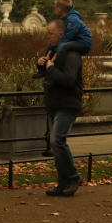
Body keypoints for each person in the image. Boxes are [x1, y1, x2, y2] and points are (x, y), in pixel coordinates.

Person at [36, 17, 83, 197]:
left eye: (50, 33)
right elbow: (50, 75)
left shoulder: (71, 54)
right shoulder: (55, 51)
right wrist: (41, 65)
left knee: (57, 140)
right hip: (55, 102)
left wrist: (50, 68)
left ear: (61, 34)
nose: (48, 36)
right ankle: (63, 183)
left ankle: (73, 177)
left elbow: (69, 80)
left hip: (68, 103)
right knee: (56, 143)